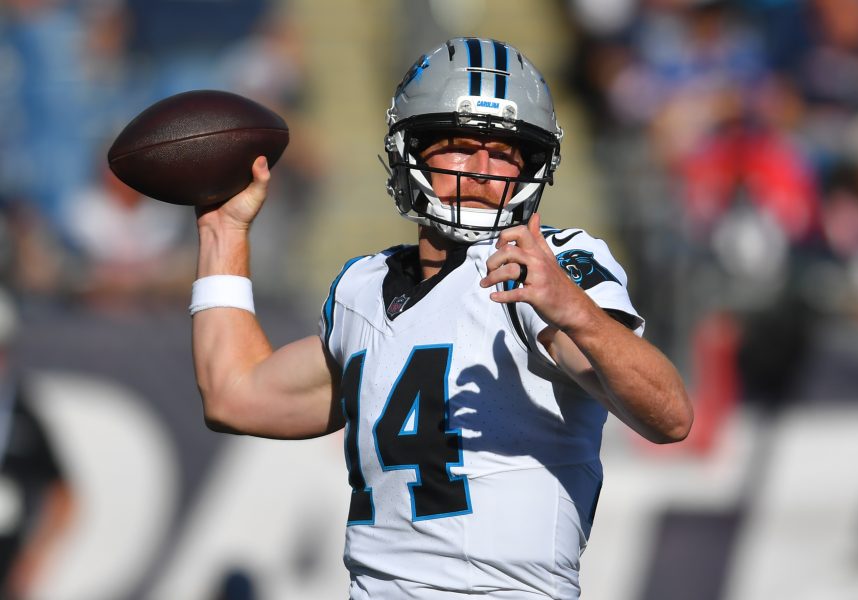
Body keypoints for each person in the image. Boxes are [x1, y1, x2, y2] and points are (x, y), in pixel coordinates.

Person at [190, 37, 692, 598]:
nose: (483, 171)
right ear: (411, 149)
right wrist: (223, 231)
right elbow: (234, 395)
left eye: (505, 152)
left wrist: (577, 311)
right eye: (459, 147)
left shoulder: (540, 267)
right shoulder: (363, 288)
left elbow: (669, 416)